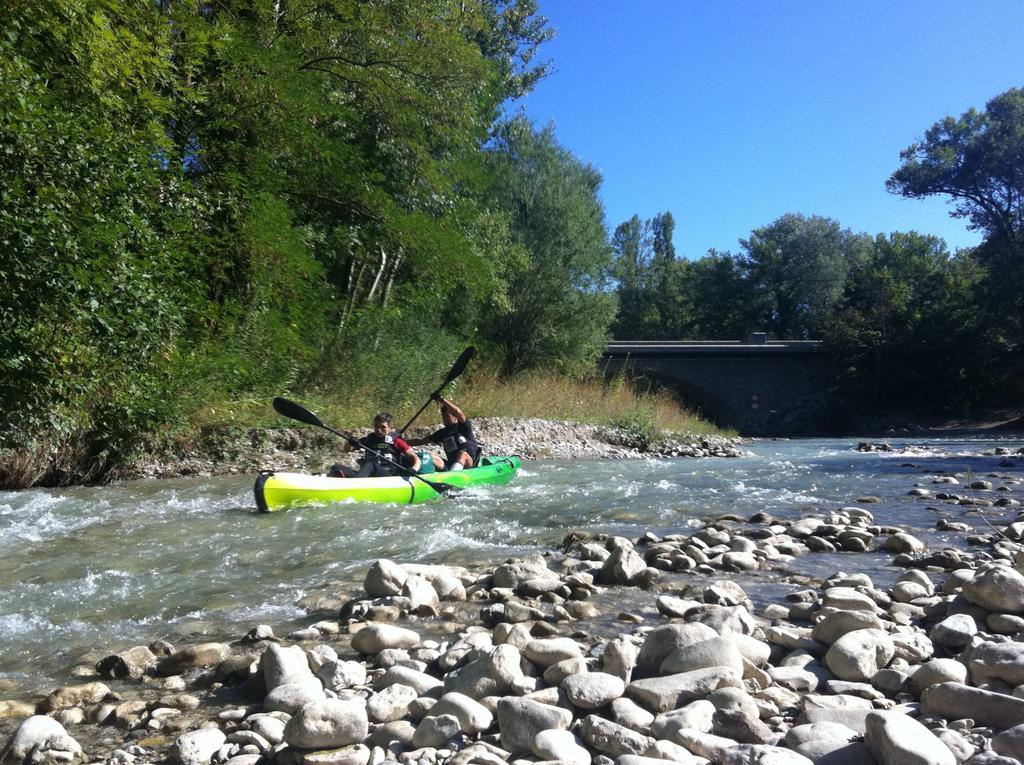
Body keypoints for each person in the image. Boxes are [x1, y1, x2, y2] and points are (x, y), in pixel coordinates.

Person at [328, 412, 420, 478]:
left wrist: (414, 469)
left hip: (388, 476)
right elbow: (346, 450)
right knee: (336, 467)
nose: (379, 430)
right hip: (367, 475)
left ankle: (355, 483)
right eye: (376, 426)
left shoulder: (396, 441)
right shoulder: (368, 440)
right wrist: (350, 442)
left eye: (383, 427)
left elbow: (415, 458)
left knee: (371, 465)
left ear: (390, 428)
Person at [406, 395, 479, 471]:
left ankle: (453, 475)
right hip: (451, 465)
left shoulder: (463, 426)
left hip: (469, 463)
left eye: (447, 416)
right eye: (443, 417)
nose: (444, 419)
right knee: (430, 456)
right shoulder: (442, 432)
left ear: (455, 417)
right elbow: (420, 441)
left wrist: (440, 399)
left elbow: (458, 411)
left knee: (462, 454)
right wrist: (401, 442)